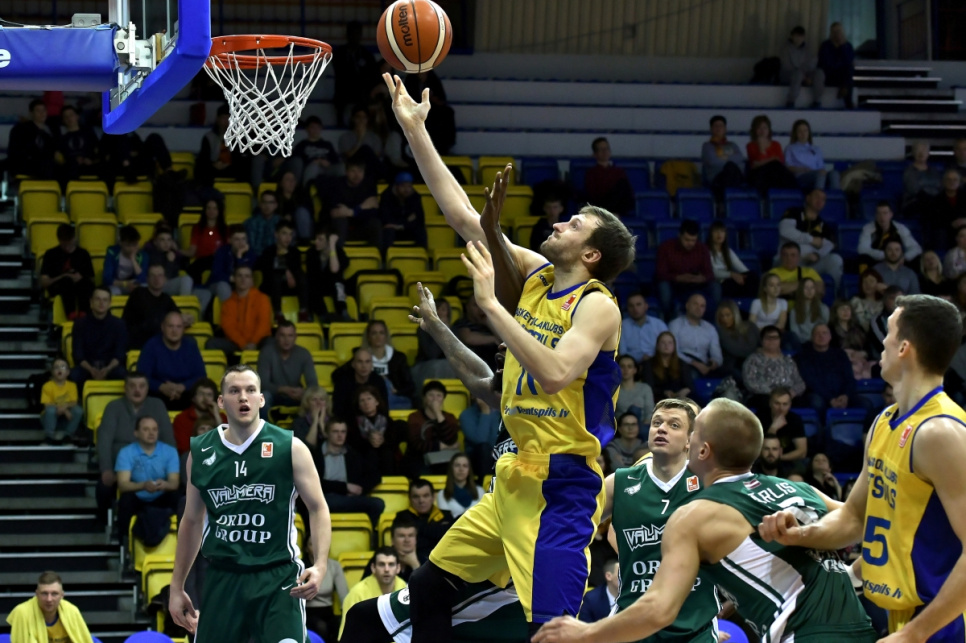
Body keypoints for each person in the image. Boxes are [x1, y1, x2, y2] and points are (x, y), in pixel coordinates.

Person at [386, 73, 634, 641]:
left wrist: (492, 309)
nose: (559, 222)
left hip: (562, 486)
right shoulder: (537, 275)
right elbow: (462, 217)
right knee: (427, 587)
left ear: (591, 255)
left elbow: (555, 374)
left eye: (574, 224)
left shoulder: (598, 306)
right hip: (513, 475)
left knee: (553, 633)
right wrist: (415, 130)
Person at [533, 398, 877, 643]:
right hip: (861, 628)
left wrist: (586, 633)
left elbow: (659, 610)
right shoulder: (797, 488)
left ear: (700, 450)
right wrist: (853, 574)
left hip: (798, 634)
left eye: (692, 430)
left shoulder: (696, 514)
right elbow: (867, 521)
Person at [760, 295, 966, 643]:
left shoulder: (941, 432)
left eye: (889, 333)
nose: (882, 343)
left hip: (945, 623)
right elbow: (854, 517)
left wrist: (915, 634)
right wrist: (800, 534)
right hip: (905, 618)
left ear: (904, 347)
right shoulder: (884, 422)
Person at [168, 365, 331, 642]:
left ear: (261, 399)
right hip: (224, 576)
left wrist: (321, 564)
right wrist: (176, 586)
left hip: (278, 576)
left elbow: (318, 508)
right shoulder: (202, 451)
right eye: (234, 391)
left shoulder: (290, 447)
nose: (243, 397)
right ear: (221, 401)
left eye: (250, 390)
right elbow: (192, 520)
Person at [599, 399, 722, 640]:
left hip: (695, 625)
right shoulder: (619, 483)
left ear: (690, 440)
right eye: (657, 423)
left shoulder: (711, 484)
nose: (662, 429)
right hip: (634, 623)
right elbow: (574, 524)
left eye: (674, 425)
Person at [95, 371, 175, 523]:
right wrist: (106, 469)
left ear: (147, 388)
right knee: (103, 487)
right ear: (125, 388)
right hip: (120, 469)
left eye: (141, 386)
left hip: (154, 466)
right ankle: (105, 524)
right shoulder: (113, 407)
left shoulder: (157, 405)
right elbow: (104, 441)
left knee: (176, 491)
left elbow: (168, 440)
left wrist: (169, 471)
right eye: (132, 386)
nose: (137, 390)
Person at [115, 415, 180, 544]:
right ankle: (124, 543)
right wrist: (143, 485)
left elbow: (174, 483)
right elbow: (123, 485)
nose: (151, 433)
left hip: (161, 495)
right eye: (146, 429)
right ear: (136, 433)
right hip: (138, 496)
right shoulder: (126, 452)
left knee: (178, 497)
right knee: (125, 499)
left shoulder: (170, 451)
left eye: (154, 429)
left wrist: (165, 484)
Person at [313, 418, 384, 529]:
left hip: (349, 497)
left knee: (378, 504)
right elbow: (314, 484)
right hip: (325, 497)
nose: (340, 435)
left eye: (343, 432)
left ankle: (365, 535)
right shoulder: (315, 454)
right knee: (328, 502)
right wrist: (345, 487)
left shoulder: (352, 454)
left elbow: (375, 475)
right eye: (335, 431)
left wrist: (360, 488)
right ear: (327, 434)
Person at [137, 311, 207, 410]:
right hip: (157, 395)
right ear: (163, 327)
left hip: (186, 394)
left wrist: (182, 386)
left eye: (179, 327)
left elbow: (201, 375)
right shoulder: (151, 346)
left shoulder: (191, 346)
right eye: (170, 326)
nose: (174, 331)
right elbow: (142, 377)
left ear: (183, 329)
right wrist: (161, 387)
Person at [779, 188, 844, 291]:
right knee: (793, 253)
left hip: (811, 263)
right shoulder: (794, 212)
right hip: (789, 260)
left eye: (823, 199)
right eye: (817, 197)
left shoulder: (823, 225)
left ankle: (835, 294)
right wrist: (811, 240)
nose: (820, 201)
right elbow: (785, 230)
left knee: (836, 260)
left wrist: (817, 255)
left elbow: (829, 245)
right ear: (808, 198)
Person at [5, 571, 93, 643]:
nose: (49, 599)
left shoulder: (72, 611)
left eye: (54, 594)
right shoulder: (22, 613)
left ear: (62, 595)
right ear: (37, 594)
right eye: (44, 593)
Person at [206, 265, 273, 359]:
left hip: (258, 341)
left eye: (247, 276)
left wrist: (253, 343)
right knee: (211, 343)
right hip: (237, 343)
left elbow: (264, 324)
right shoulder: (228, 303)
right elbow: (228, 327)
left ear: (252, 280)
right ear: (234, 279)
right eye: (239, 276)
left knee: (272, 342)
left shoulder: (262, 299)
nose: (243, 279)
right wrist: (243, 344)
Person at [339, 548, 407, 639]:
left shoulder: (405, 589)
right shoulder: (357, 593)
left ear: (398, 568)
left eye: (391, 564)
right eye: (381, 564)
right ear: (373, 568)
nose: (386, 569)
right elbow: (347, 635)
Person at [795, 324, 861, 417]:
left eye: (824, 333)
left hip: (841, 394)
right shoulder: (804, 356)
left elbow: (849, 378)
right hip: (818, 394)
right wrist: (830, 399)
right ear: (812, 337)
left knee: (865, 404)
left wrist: (845, 395)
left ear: (830, 336)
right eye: (817, 334)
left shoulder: (840, 354)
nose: (821, 336)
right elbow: (811, 382)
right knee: (816, 403)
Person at [70, 286, 127, 391]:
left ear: (110, 303)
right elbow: (78, 355)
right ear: (91, 302)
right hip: (87, 367)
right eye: (98, 299)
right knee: (74, 375)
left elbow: (120, 355)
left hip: (111, 367)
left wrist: (107, 369)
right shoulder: (80, 324)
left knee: (122, 374)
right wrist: (91, 369)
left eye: (105, 300)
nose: (101, 303)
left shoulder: (119, 324)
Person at [655, 220, 715, 320]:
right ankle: (667, 318)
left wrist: (702, 278)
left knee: (714, 287)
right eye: (687, 240)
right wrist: (678, 277)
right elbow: (660, 274)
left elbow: (709, 274)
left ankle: (710, 323)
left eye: (693, 240)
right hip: (673, 285)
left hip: (695, 285)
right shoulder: (666, 247)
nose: (690, 243)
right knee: (663, 287)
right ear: (680, 235)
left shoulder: (702, 248)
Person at [256, 320, 318, 415]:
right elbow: (262, 383)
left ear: (295, 337)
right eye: (282, 335)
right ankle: (265, 425)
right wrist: (284, 390)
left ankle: (305, 424)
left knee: (315, 396)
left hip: (296, 395)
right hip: (274, 394)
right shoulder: (266, 352)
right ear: (277, 336)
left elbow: (313, 383)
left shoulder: (304, 353)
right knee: (264, 397)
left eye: (290, 336)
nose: (286, 340)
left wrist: (304, 392)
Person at [404, 381, 461, 476]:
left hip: (444, 458)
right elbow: (416, 444)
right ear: (424, 398)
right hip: (419, 457)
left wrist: (438, 414)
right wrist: (441, 446)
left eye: (439, 395)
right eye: (431, 395)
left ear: (443, 399)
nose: (435, 399)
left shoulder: (450, 417)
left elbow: (450, 440)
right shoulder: (414, 417)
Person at [322, 155, 381, 247]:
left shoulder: (369, 185)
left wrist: (352, 212)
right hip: (341, 228)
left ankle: (377, 253)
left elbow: (373, 211)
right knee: (340, 221)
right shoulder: (336, 185)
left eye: (360, 171)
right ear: (346, 172)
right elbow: (335, 212)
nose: (357, 175)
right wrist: (362, 207)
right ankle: (339, 253)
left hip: (361, 226)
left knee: (375, 223)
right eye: (353, 171)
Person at [254, 220, 308, 320]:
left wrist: (286, 260)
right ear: (276, 234)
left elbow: (296, 269)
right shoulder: (268, 251)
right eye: (284, 233)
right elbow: (268, 273)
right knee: (276, 277)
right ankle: (278, 313)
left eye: (290, 234)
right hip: (272, 286)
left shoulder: (295, 252)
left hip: (291, 286)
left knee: (302, 275)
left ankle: (303, 311)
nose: (288, 238)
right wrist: (286, 271)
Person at [742, 325, 807, 407]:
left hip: (788, 395)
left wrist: (790, 393)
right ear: (762, 340)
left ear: (780, 340)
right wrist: (774, 394)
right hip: (764, 396)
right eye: (768, 338)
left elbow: (800, 383)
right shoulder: (753, 360)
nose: (772, 341)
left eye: (775, 338)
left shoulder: (788, 361)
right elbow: (750, 382)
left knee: (805, 402)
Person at [39, 223, 95, 318]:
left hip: (80, 286)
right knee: (66, 282)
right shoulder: (50, 254)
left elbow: (91, 279)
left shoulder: (83, 254)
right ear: (59, 240)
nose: (67, 247)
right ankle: (71, 314)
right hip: (59, 286)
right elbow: (44, 282)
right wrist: (63, 276)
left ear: (74, 238)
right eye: (64, 244)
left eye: (69, 242)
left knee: (85, 284)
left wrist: (79, 277)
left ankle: (84, 314)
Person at [394, 478, 455, 563]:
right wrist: (438, 532)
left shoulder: (446, 516)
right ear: (409, 498)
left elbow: (450, 544)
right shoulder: (402, 517)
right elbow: (405, 545)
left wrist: (420, 530)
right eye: (416, 497)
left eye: (425, 496)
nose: (421, 500)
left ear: (433, 497)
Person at [121, 264, 182, 350]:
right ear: (147, 279)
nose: (156, 279)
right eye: (153, 275)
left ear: (165, 279)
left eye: (160, 276)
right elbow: (148, 321)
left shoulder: (166, 299)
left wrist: (186, 318)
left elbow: (178, 317)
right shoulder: (138, 293)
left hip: (160, 342)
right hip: (140, 343)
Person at [348, 384, 401, 476]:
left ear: (377, 402)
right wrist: (370, 440)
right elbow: (354, 445)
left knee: (387, 454)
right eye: (362, 400)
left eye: (369, 399)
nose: (366, 403)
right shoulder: (354, 423)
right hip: (365, 460)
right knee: (370, 455)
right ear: (359, 406)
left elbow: (393, 442)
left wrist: (382, 441)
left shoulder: (387, 421)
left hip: (386, 458)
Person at [668, 293, 724, 380]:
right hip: (683, 363)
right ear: (687, 306)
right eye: (695, 304)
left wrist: (714, 363)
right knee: (691, 374)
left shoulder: (710, 328)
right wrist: (694, 363)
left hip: (704, 364)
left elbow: (717, 355)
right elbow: (673, 352)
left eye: (702, 306)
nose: (699, 308)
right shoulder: (675, 325)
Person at [362, 320, 416, 409]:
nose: (378, 337)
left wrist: (397, 391)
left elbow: (410, 386)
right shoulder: (361, 357)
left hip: (393, 397)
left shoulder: (398, 358)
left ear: (386, 336)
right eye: (374, 333)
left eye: (381, 333)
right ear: (368, 337)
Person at [858, 201, 922, 270]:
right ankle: (866, 277)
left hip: (898, 260)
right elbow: (862, 249)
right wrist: (885, 256)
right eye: (879, 213)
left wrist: (904, 257)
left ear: (891, 215)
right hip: (878, 260)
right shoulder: (868, 228)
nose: (882, 217)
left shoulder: (901, 228)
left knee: (918, 259)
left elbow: (916, 248)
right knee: (863, 258)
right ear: (876, 215)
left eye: (885, 213)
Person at [305, 226, 349, 322]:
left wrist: (332, 246)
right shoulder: (311, 253)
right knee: (310, 284)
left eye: (320, 239)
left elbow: (334, 269)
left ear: (329, 242)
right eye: (316, 238)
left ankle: (343, 312)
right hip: (316, 287)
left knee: (338, 282)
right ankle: (323, 316)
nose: (316, 242)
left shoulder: (339, 253)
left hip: (332, 286)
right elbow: (313, 277)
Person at [746, 114, 798, 193]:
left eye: (765, 128)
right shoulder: (751, 145)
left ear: (769, 130)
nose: (762, 131)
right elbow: (754, 165)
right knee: (772, 165)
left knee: (779, 169)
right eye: (759, 128)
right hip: (759, 175)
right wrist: (762, 148)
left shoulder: (776, 144)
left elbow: (779, 162)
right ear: (755, 130)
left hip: (775, 174)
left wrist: (762, 162)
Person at [332, 348, 390, 420]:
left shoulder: (378, 381)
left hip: (375, 422)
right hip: (349, 422)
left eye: (367, 362)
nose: (364, 366)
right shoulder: (343, 382)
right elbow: (338, 411)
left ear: (372, 364)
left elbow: (384, 409)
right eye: (360, 362)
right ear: (353, 364)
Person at [755, 386, 808, 463]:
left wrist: (779, 458)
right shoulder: (759, 417)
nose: (781, 408)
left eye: (785, 404)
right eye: (777, 403)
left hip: (787, 461)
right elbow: (755, 450)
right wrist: (773, 429)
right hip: (763, 462)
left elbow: (802, 452)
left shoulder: (795, 419)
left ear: (790, 405)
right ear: (770, 403)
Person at [172, 379, 225, 454]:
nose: (205, 398)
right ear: (193, 398)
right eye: (201, 394)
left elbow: (230, 445)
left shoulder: (222, 417)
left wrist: (217, 417)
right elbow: (183, 448)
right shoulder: (182, 418)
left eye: (209, 395)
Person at [207, 224, 258, 303]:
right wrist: (231, 278)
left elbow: (246, 274)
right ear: (229, 240)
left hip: (239, 284)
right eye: (237, 239)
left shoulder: (250, 254)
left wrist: (239, 257)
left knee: (247, 285)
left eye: (243, 239)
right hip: (219, 284)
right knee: (224, 286)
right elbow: (216, 273)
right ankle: (229, 310)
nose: (241, 243)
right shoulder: (222, 251)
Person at [584, 137, 634, 216]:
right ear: (595, 154)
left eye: (606, 148)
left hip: (618, 207)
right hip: (601, 205)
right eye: (601, 149)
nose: (605, 151)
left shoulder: (619, 172)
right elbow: (593, 195)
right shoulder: (591, 173)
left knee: (622, 185)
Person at [785, 119, 840, 191]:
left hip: (817, 173)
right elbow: (788, 167)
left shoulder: (816, 149)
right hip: (801, 175)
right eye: (800, 131)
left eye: (805, 131)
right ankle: (818, 195)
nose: (803, 134)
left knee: (834, 174)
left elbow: (821, 166)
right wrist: (802, 169)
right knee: (820, 175)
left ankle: (835, 196)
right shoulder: (790, 148)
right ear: (796, 133)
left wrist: (822, 171)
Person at [8, 98, 56, 180]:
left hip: (43, 166)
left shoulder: (49, 133)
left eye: (43, 110)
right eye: (38, 111)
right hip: (26, 164)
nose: (42, 113)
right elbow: (17, 151)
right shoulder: (21, 129)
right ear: (31, 113)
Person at [40, 358, 85, 445]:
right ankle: (49, 437)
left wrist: (64, 408)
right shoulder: (47, 386)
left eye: (63, 367)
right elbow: (47, 404)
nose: (59, 369)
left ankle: (68, 436)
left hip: (66, 419)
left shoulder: (72, 385)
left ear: (68, 372)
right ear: (52, 372)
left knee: (78, 410)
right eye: (56, 367)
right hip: (50, 418)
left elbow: (74, 402)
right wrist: (64, 410)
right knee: (50, 410)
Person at [379, 171, 428, 248]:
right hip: (392, 229)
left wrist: (401, 225)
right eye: (403, 186)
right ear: (396, 186)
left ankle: (422, 253)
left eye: (409, 186)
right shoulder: (386, 196)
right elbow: (386, 219)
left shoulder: (415, 196)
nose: (406, 190)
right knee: (388, 232)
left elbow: (420, 219)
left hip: (406, 227)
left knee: (420, 230)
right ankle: (386, 254)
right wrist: (407, 220)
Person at [185, 197, 227, 284]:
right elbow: (192, 251)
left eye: (215, 208)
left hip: (218, 260)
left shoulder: (225, 229)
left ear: (219, 211)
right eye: (209, 208)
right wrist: (177, 251)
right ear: (205, 210)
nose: (211, 211)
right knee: (192, 269)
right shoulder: (197, 228)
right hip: (202, 260)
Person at [641, 331, 694, 402]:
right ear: (657, 346)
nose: (666, 345)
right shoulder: (649, 364)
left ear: (674, 346)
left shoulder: (682, 364)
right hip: (658, 399)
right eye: (663, 342)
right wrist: (663, 392)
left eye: (670, 343)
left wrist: (685, 391)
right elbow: (648, 387)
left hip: (680, 399)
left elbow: (690, 385)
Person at [618, 293, 668, 366]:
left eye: (638, 304)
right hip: (632, 365)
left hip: (657, 363)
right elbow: (623, 353)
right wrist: (639, 358)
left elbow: (667, 348)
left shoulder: (659, 324)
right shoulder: (622, 327)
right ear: (627, 308)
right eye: (631, 306)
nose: (635, 309)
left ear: (646, 306)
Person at [701, 114, 745, 198]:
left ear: (725, 129)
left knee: (731, 167)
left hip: (735, 176)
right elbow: (713, 162)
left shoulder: (732, 145)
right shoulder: (707, 146)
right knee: (730, 166)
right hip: (717, 178)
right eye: (715, 126)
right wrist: (730, 160)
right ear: (711, 129)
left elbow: (740, 158)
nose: (718, 128)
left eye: (721, 126)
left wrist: (724, 158)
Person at [780, 26, 825, 108]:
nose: (798, 39)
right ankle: (790, 101)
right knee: (798, 74)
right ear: (792, 36)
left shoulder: (808, 49)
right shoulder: (785, 49)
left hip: (805, 75)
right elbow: (787, 66)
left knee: (819, 73)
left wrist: (809, 77)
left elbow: (812, 63)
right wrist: (803, 77)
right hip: (789, 75)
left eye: (800, 36)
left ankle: (817, 101)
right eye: (796, 36)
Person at [707, 220, 753, 298]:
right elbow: (712, 273)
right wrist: (731, 274)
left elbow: (742, 269)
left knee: (752, 276)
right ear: (711, 234)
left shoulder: (728, 251)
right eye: (716, 231)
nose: (719, 234)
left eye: (722, 231)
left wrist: (745, 276)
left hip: (729, 280)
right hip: (716, 283)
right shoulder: (706, 251)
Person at [924, 168, 966, 252]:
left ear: (959, 182)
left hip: (964, 227)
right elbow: (935, 220)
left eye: (955, 180)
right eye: (948, 179)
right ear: (943, 182)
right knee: (940, 233)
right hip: (946, 230)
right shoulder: (936, 200)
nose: (952, 182)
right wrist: (951, 224)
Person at [715, 299, 760, 373]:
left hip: (754, 363)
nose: (725, 319)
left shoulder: (750, 326)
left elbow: (761, 344)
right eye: (722, 316)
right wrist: (754, 351)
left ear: (735, 315)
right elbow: (736, 350)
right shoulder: (720, 332)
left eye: (728, 315)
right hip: (733, 366)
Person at [293, 115, 340, 185]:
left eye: (318, 127)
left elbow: (336, 160)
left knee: (341, 168)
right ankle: (307, 189)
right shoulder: (302, 145)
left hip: (327, 168)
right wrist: (316, 162)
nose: (315, 130)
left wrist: (328, 163)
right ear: (307, 129)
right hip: (311, 168)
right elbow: (297, 162)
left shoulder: (327, 144)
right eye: (312, 127)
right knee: (314, 167)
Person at [435, 452, 484, 518]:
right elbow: (445, 520)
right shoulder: (442, 494)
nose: (461, 469)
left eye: (465, 466)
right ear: (451, 469)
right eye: (457, 465)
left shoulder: (480, 491)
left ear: (469, 470)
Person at [818, 22, 855, 108]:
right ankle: (846, 95)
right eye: (834, 32)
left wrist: (842, 46)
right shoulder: (825, 46)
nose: (836, 34)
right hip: (829, 75)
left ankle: (845, 90)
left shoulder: (848, 46)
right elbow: (826, 63)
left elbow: (848, 61)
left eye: (838, 31)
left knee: (848, 69)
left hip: (843, 75)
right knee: (847, 76)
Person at [103, 225, 148, 296]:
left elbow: (143, 279)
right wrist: (125, 284)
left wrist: (133, 260)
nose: (132, 248)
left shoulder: (143, 255)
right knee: (112, 292)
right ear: (121, 243)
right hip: (117, 285)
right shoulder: (112, 252)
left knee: (145, 287)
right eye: (128, 245)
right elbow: (107, 278)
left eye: (134, 244)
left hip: (134, 285)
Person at [902, 141, 943, 218]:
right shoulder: (909, 171)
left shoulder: (934, 171)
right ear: (913, 153)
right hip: (914, 202)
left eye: (924, 150)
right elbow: (914, 190)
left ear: (928, 153)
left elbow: (940, 187)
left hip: (933, 201)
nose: (921, 153)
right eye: (918, 150)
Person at [615, 354, 655, 424]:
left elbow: (649, 412)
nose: (626, 369)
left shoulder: (645, 388)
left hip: (642, 424)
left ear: (635, 370)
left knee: (635, 410)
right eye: (622, 366)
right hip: (621, 425)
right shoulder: (613, 390)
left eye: (629, 366)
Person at [577, 559, 619, 624]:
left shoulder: (633, 596)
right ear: (608, 576)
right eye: (621, 573)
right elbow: (584, 627)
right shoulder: (591, 599)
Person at [790, 277, 829, 345]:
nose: (809, 290)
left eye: (812, 287)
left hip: (820, 342)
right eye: (806, 288)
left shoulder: (823, 308)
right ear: (801, 290)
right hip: (803, 344)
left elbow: (824, 329)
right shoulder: (794, 311)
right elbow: (795, 333)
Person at [244, 190, 282, 259]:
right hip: (255, 259)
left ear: (276, 205)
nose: (267, 206)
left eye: (270, 202)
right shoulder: (250, 223)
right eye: (264, 202)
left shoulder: (281, 223)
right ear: (260, 204)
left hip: (276, 259)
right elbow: (249, 247)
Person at [870, 286, 903, 356]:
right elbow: (883, 343)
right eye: (892, 298)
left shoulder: (910, 319)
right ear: (885, 300)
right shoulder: (877, 320)